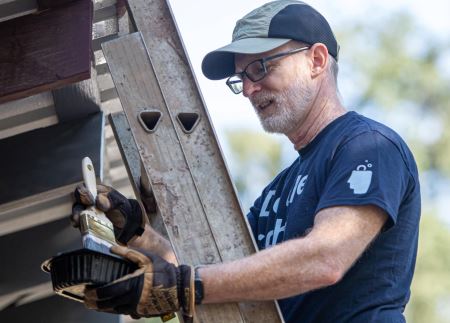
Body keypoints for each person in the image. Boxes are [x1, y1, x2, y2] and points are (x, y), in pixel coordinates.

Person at [72, 1, 421, 322]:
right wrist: (136, 231)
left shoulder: (368, 146)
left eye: (261, 67)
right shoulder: (277, 190)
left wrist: (184, 285)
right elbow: (222, 271)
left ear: (316, 60)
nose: (250, 89)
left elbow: (325, 258)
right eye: (241, 78)